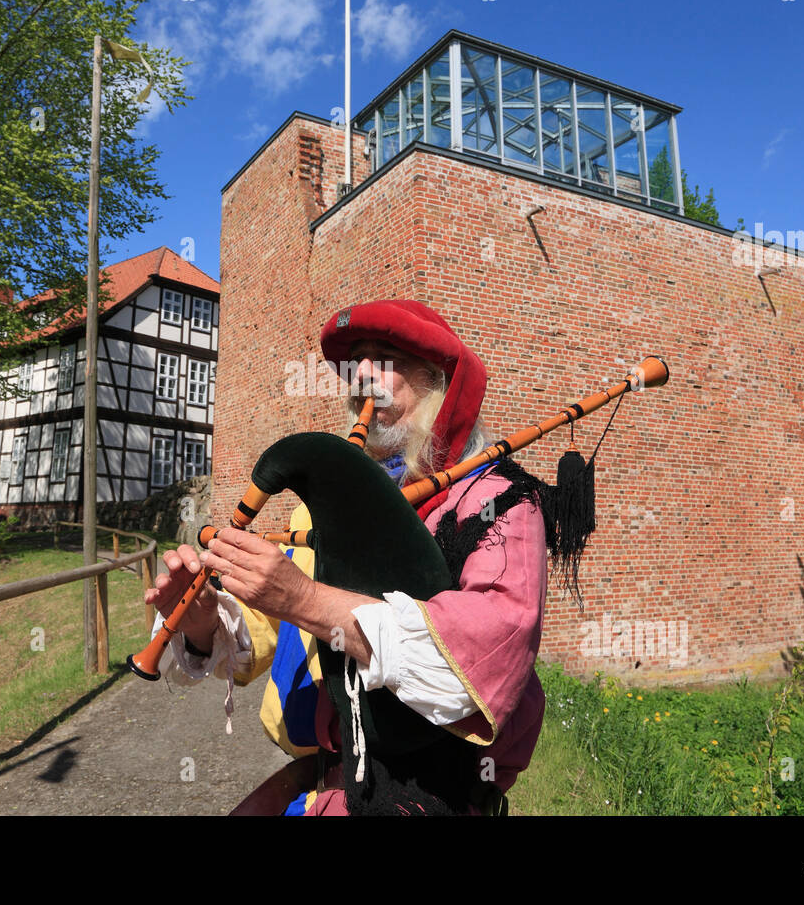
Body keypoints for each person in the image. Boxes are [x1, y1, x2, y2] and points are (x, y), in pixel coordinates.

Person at [145, 299, 552, 815]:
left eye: (385, 357)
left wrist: (302, 598)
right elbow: (267, 629)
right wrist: (203, 620)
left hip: (428, 799)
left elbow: (478, 664)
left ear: (437, 380)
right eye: (355, 360)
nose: (361, 374)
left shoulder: (495, 502)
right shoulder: (325, 512)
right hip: (322, 782)